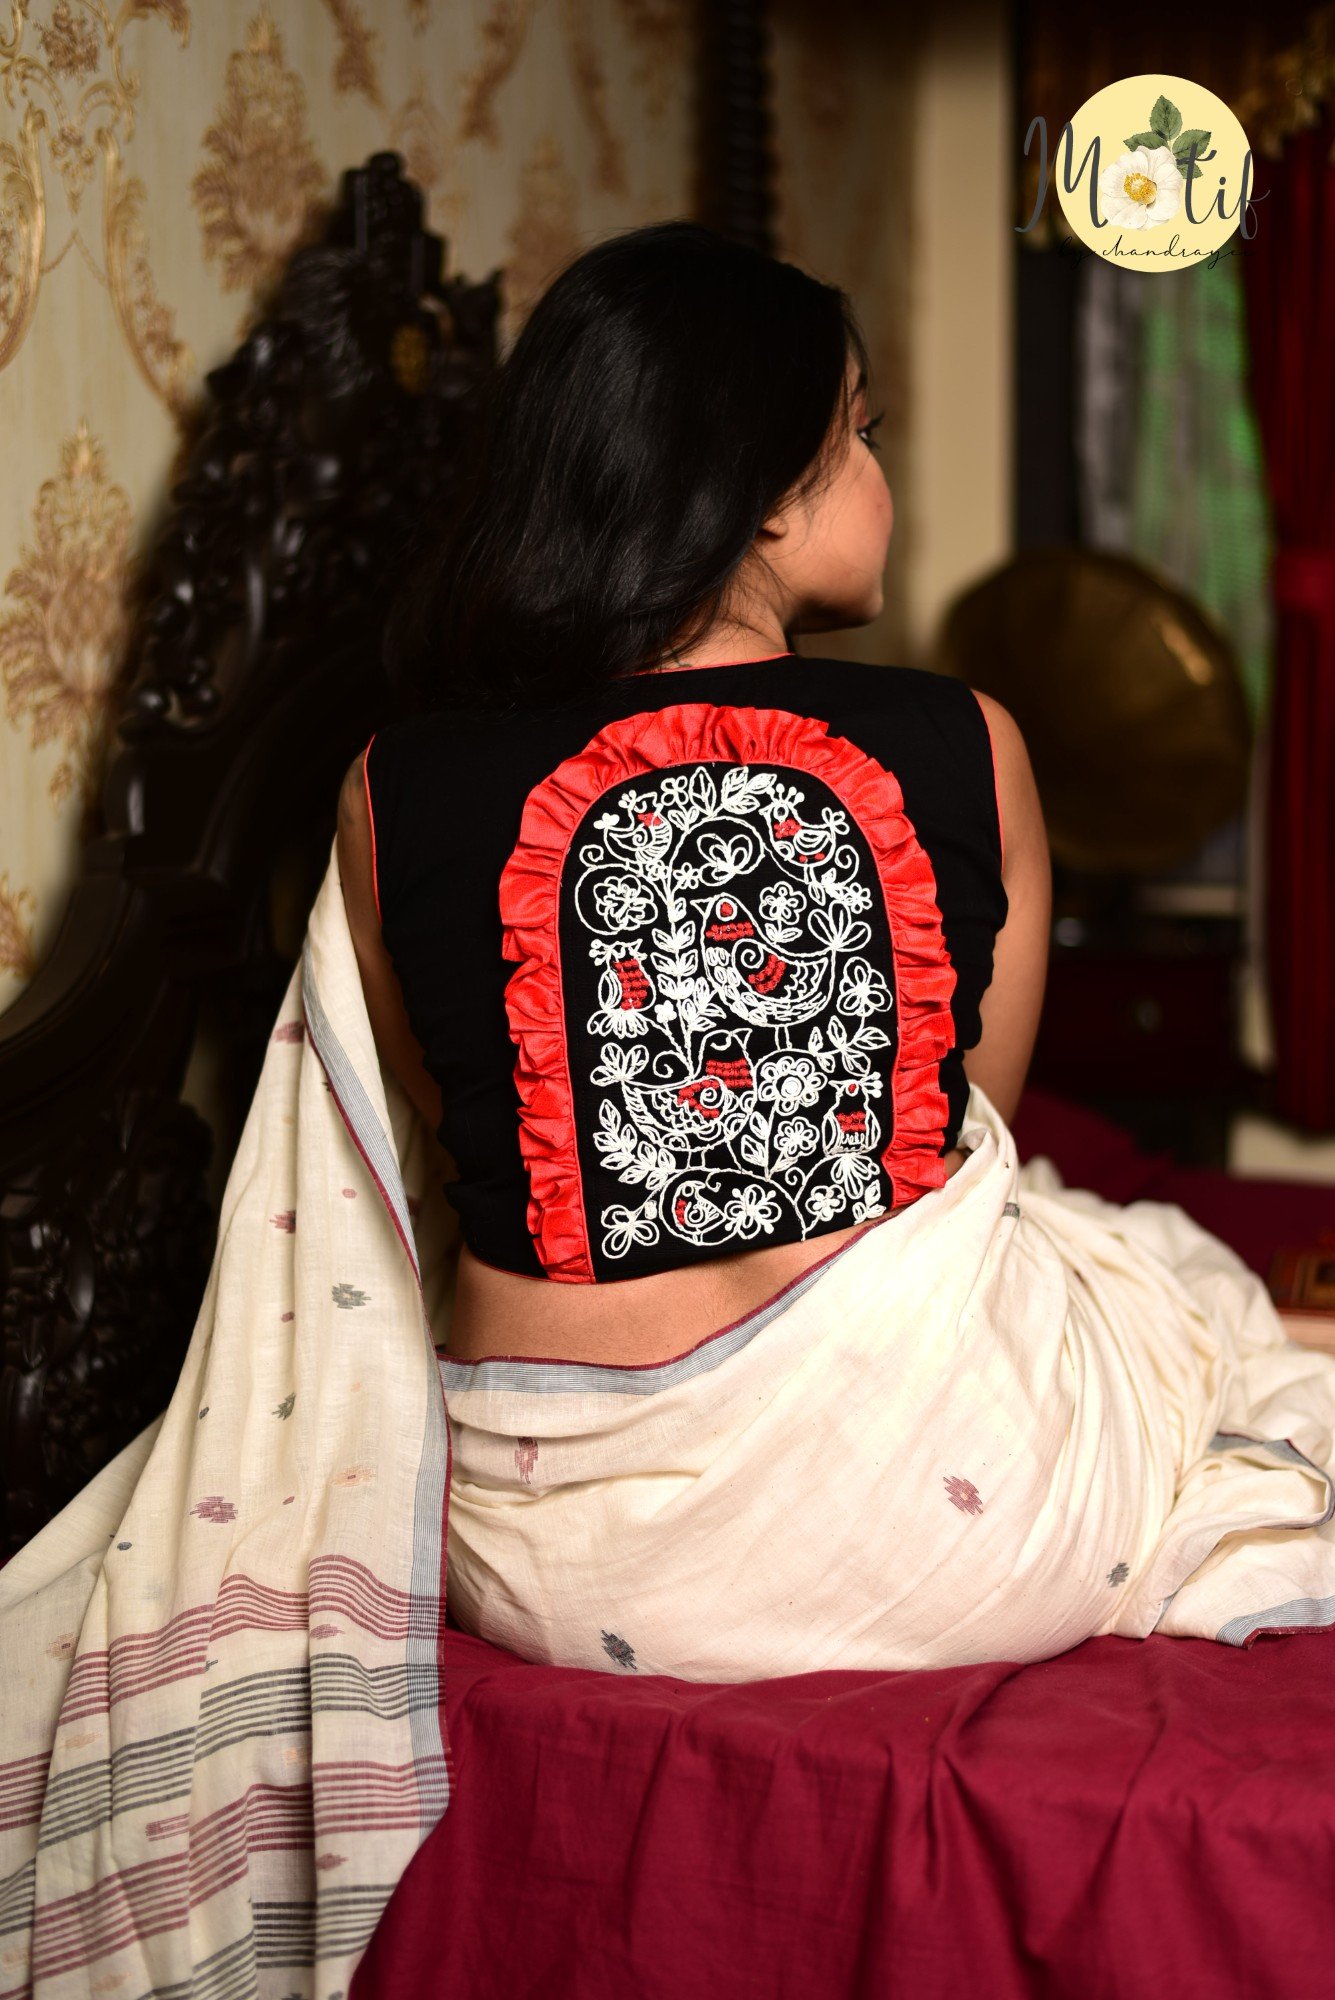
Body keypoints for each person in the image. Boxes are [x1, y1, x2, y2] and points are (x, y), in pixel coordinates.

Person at [329, 220, 1335, 1682]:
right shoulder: (969, 739)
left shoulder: (389, 785)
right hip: (950, 1521)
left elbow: (452, 1108)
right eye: (862, 433)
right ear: (760, 499)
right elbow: (964, 1126)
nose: (880, 474)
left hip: (551, 1554)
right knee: (1156, 1281)